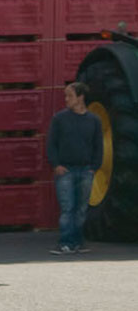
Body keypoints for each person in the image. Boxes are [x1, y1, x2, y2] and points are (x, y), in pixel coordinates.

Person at [48, 80, 102, 255]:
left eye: (69, 96)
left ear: (81, 97)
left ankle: (78, 242)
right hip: (66, 171)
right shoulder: (59, 119)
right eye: (66, 96)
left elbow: (98, 146)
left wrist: (94, 167)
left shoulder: (94, 120)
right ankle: (65, 242)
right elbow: (51, 144)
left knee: (81, 209)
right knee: (67, 208)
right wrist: (56, 165)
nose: (66, 99)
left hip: (86, 170)